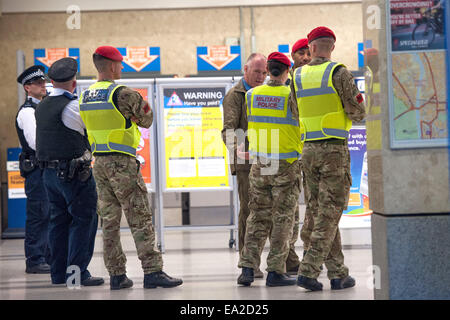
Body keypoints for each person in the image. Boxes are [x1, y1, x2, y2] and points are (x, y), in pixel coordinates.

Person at [79, 46, 182, 290]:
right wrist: (134, 118)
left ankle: (117, 275)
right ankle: (152, 271)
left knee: (110, 221)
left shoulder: (85, 95)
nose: (122, 68)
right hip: (122, 163)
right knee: (139, 217)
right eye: (121, 65)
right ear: (113, 66)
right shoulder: (123, 93)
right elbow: (147, 118)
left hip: (99, 162)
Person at [291, 26, 366, 291]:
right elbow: (358, 113)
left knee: (319, 211)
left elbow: (293, 111)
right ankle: (309, 269)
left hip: (308, 150)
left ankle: (337, 273)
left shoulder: (297, 75)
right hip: (333, 150)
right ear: (332, 47)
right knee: (330, 211)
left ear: (310, 48)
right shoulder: (339, 73)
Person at [35, 57, 104, 286]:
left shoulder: (42, 106)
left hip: (49, 175)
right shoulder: (73, 106)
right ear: (74, 83)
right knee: (83, 220)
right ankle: (77, 274)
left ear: (51, 82)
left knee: (58, 222)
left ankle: (58, 274)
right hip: (74, 175)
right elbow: (90, 131)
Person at [237, 52, 303, 287]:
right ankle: (275, 270)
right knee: (283, 218)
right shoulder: (291, 96)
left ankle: (247, 267)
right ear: (287, 71)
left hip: (261, 164)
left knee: (257, 216)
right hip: (285, 164)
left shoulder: (252, 95)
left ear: (267, 71)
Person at [221, 53, 267, 279]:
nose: (261, 76)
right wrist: (239, 150)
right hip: (246, 163)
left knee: (271, 212)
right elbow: (228, 129)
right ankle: (248, 261)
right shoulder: (236, 96)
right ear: (246, 70)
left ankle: (282, 260)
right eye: (257, 71)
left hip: (268, 160)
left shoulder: (265, 93)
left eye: (265, 72)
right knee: (249, 211)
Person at [15, 65, 51, 274]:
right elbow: (37, 143)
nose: (42, 85)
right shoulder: (28, 112)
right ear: (27, 88)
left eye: (43, 82)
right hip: (37, 171)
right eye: (38, 83)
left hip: (46, 170)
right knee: (39, 214)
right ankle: (35, 259)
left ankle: (45, 256)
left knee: (48, 214)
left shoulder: (43, 107)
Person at [285, 38, 312, 275]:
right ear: (292, 56)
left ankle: (313, 256)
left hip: (313, 152)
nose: (305, 57)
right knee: (289, 210)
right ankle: (290, 258)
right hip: (289, 155)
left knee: (315, 207)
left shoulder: (315, 80)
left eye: (308, 53)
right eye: (300, 54)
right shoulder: (284, 82)